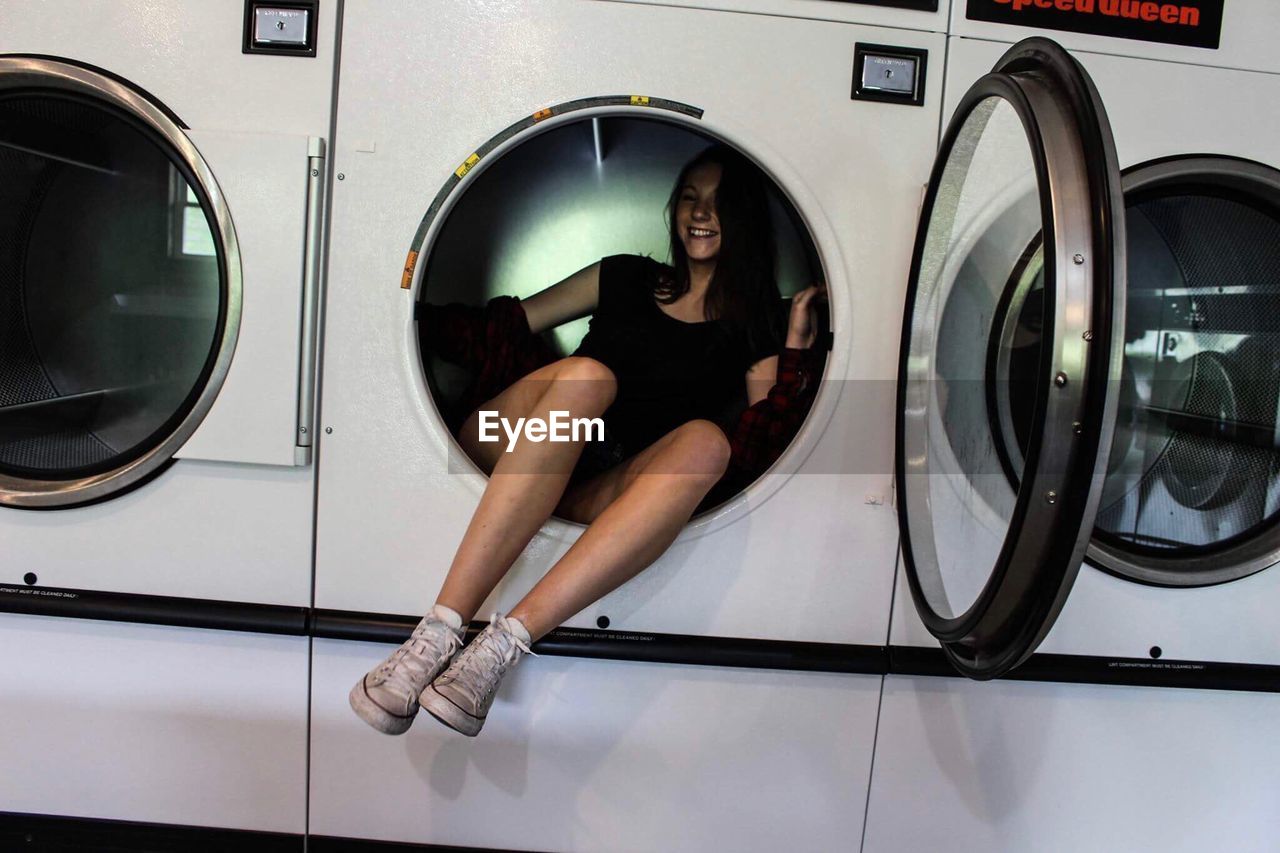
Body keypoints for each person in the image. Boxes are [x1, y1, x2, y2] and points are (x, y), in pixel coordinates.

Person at [349, 144, 827, 737]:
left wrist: (799, 350)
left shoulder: (752, 327)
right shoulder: (624, 275)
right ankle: (437, 633)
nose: (700, 213)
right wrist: (384, 313)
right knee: (589, 377)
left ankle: (500, 647)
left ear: (745, 220)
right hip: (507, 436)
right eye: (689, 197)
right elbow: (503, 327)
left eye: (719, 203)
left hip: (591, 483)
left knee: (709, 443)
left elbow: (760, 442)